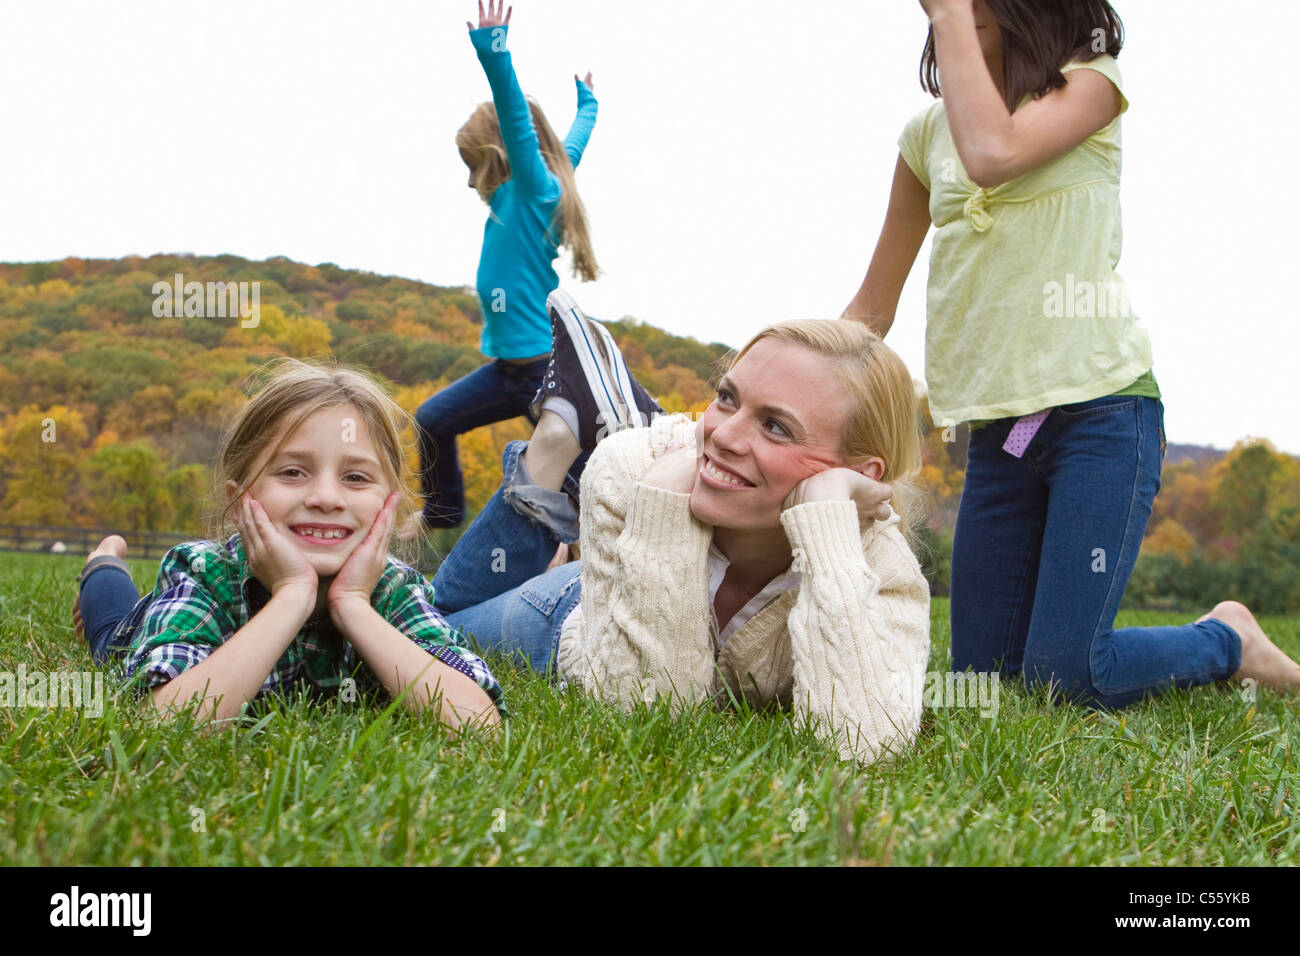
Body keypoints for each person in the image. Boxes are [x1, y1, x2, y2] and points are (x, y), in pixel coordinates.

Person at [840, 0, 1300, 706]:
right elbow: (872, 309)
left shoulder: (1091, 84)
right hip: (1003, 441)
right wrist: (791, 385)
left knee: (1069, 677)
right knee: (982, 687)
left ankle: (1229, 639)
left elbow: (994, 154)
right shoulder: (924, 138)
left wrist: (949, 18)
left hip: (1103, 419)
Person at [430, 291, 932, 766]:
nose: (723, 435)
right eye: (728, 399)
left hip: (621, 569)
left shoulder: (878, 559)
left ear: (861, 475)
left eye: (776, 426)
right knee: (433, 630)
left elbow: (864, 744)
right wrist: (664, 501)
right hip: (582, 614)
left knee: (432, 622)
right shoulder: (632, 471)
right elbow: (645, 713)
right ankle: (553, 448)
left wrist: (827, 520)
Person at [72, 359, 505, 728]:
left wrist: (352, 602)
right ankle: (105, 560)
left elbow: (478, 723)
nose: (325, 498)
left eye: (355, 477)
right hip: (136, 630)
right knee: (109, 635)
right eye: (292, 472)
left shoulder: (395, 588)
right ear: (239, 501)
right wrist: (292, 596)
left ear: (389, 504)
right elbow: (163, 723)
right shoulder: (203, 572)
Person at [406, 0, 601, 536]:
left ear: (499, 155)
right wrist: (588, 106)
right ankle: (443, 511)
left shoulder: (535, 193)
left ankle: (605, 530)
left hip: (543, 374)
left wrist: (495, 53)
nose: (471, 183)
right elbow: (572, 144)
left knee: (581, 472)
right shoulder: (543, 186)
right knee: (430, 421)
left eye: (474, 168)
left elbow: (517, 120)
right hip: (507, 372)